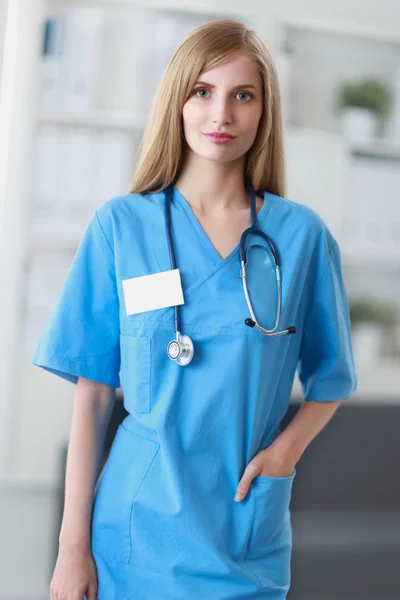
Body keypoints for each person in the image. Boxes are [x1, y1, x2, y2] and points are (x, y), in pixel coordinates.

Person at [32, 18, 358, 600]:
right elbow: (93, 398)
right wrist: (72, 550)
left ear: (265, 111)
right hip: (134, 531)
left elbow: (331, 381)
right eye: (202, 92)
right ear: (177, 101)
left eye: (243, 95)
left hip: (243, 529)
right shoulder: (121, 227)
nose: (221, 115)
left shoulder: (301, 238)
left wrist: (285, 452)